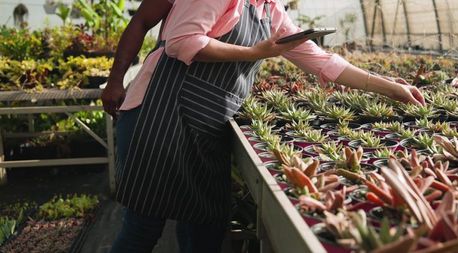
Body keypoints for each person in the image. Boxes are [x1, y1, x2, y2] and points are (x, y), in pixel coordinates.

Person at [102, 0, 426, 252]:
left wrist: (391, 87)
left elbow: (320, 60)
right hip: (161, 114)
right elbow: (181, 42)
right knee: (144, 227)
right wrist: (254, 52)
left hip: (207, 122)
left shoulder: (268, 9)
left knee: (204, 226)